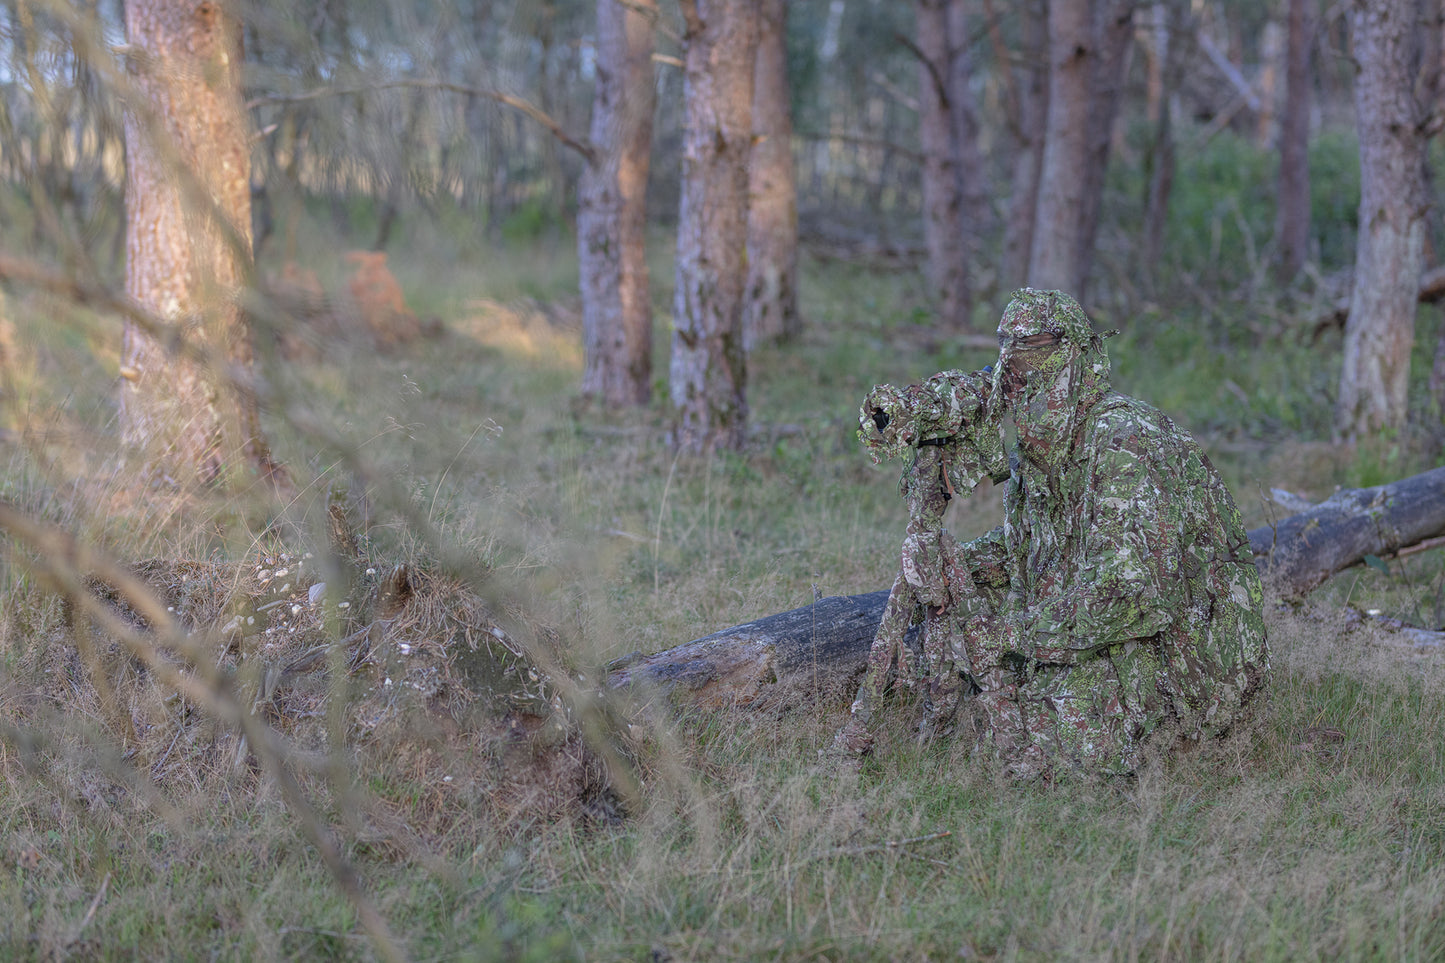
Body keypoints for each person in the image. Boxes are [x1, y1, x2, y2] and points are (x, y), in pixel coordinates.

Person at [838, 288, 1269, 779]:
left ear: (1076, 359)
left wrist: (1008, 636)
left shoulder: (1123, 441)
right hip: (1103, 628)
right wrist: (962, 566)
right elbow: (1032, 545)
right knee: (980, 702)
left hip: (1187, 659)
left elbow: (1129, 592)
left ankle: (1164, 740)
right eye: (1010, 351)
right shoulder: (1044, 445)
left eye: (1036, 351)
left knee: (1030, 737)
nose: (1018, 370)